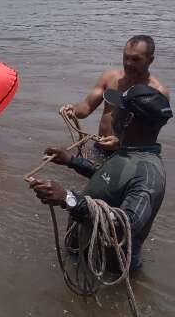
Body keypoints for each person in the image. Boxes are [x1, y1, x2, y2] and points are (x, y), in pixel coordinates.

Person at [29, 85, 172, 270]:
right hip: (87, 255)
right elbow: (108, 179)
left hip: (107, 271)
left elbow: (126, 225)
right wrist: (72, 161)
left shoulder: (148, 174)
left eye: (118, 110)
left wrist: (68, 198)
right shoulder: (128, 151)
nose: (112, 114)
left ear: (127, 119)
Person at [62, 35, 169, 153]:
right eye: (126, 57)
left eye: (135, 59)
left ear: (150, 60)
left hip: (131, 154)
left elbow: (150, 134)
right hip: (100, 148)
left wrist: (120, 143)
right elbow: (84, 111)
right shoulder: (109, 78)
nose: (128, 63)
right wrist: (72, 110)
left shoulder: (158, 93)